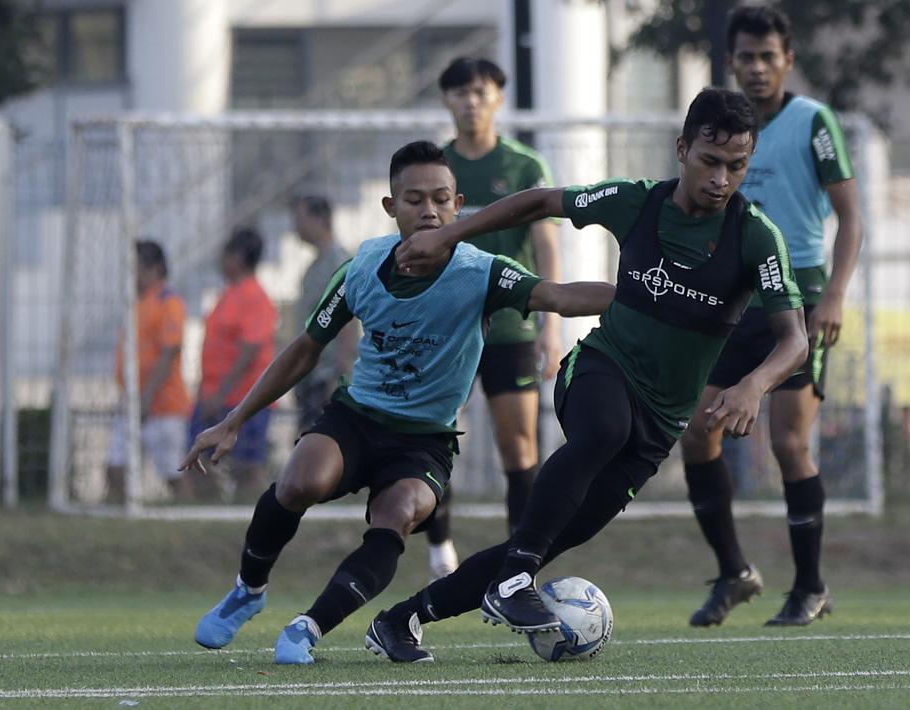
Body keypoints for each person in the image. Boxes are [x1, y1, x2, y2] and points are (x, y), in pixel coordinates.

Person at [365, 88, 809, 663]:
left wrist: (754, 384)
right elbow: (540, 202)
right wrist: (449, 234)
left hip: (660, 425)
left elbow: (794, 340)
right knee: (603, 430)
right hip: (599, 369)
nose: (721, 178)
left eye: (737, 165)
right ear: (682, 149)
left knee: (546, 538)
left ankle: (402, 619)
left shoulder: (755, 235)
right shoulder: (634, 201)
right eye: (710, 161)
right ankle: (514, 581)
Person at [183, 140, 614, 665]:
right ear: (391, 207)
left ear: (458, 206)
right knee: (298, 482)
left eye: (441, 199)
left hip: (425, 441)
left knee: (399, 513)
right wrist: (235, 420)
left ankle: (307, 627)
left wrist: (648, 298)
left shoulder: (482, 271)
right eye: (414, 199)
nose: (429, 210)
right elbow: (304, 349)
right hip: (357, 418)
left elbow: (559, 296)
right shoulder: (362, 267)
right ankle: (248, 591)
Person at [681, 5, 863, 628]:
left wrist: (834, 296)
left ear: (787, 59)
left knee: (788, 442)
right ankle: (733, 571)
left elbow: (852, 217)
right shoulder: (720, 128)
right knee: (697, 432)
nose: (757, 68)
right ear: (731, 61)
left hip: (799, 297)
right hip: (732, 301)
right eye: (746, 57)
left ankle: (810, 585)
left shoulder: (813, 122)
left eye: (768, 57)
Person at [423, 58, 562, 581]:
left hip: (510, 327)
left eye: (480, 92)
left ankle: (518, 565)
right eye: (460, 92)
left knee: (518, 445)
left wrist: (551, 325)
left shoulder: (524, 167)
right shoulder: (436, 166)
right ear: (447, 100)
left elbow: (547, 247)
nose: (470, 102)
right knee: (433, 434)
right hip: (447, 327)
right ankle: (439, 548)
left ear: (498, 98)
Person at [190, 228, 279, 500]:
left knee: (248, 466)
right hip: (214, 396)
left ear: (238, 257)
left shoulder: (254, 296)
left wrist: (221, 392)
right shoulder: (229, 293)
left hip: (244, 399)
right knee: (196, 457)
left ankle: (255, 508)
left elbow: (249, 350)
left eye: (225, 254)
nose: (221, 260)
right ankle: (213, 507)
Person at [106, 241, 192, 502]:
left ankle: (188, 510)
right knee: (115, 467)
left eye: (135, 268)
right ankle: (122, 514)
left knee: (172, 473)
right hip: (132, 403)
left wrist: (147, 396)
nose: (131, 275)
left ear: (153, 268)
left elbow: (169, 351)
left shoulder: (168, 301)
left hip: (163, 406)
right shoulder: (138, 303)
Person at [291, 195, 359, 431]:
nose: (296, 225)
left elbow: (348, 320)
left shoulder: (337, 262)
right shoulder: (316, 265)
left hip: (327, 376)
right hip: (311, 374)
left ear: (320, 219)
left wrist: (339, 375)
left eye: (300, 217)